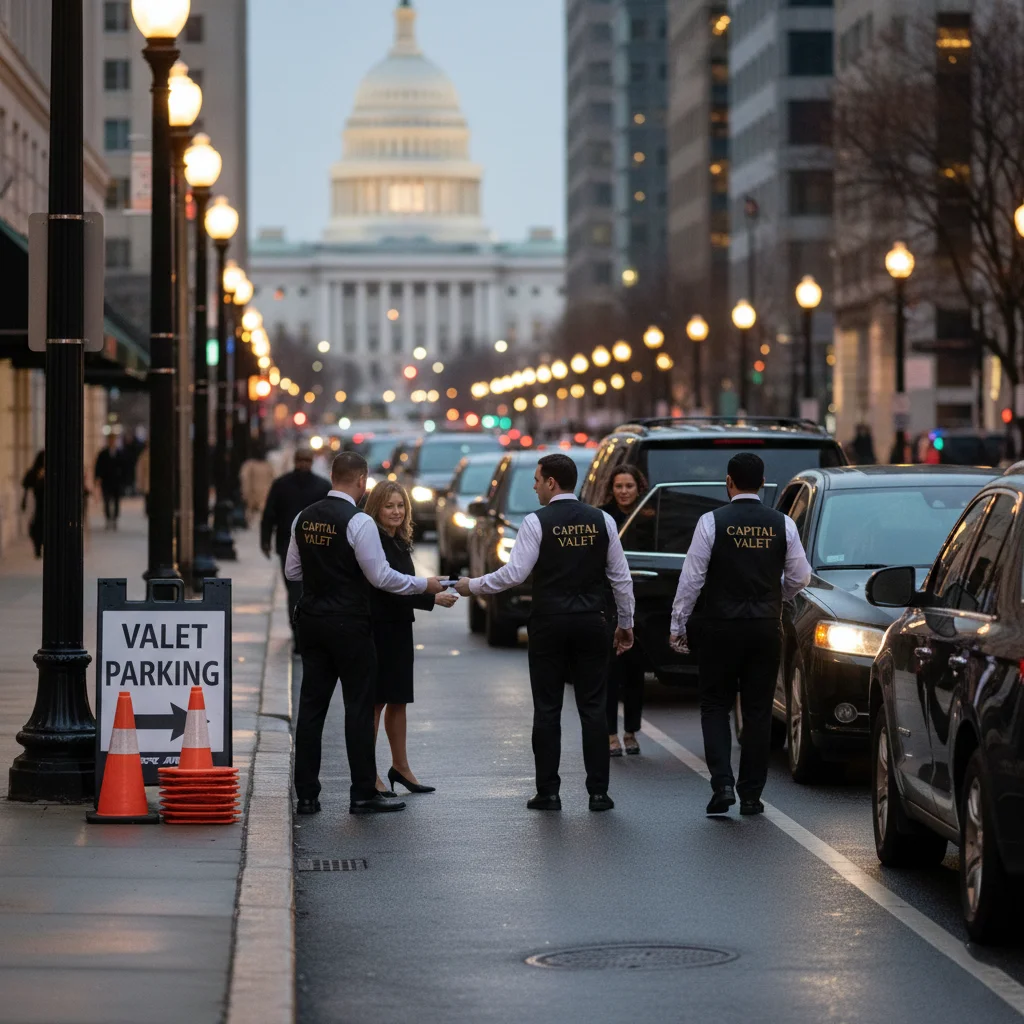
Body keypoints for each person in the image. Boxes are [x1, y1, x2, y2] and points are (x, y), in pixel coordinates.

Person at [457, 453, 635, 812]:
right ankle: (598, 792)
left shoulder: (536, 522)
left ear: (552, 482)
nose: (535, 486)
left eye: (537, 480)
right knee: (594, 708)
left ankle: (549, 792)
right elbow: (620, 578)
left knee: (548, 708)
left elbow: (514, 574)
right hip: (591, 621)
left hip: (549, 622)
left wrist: (473, 585)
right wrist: (626, 624)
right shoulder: (602, 520)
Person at [285, 452, 445, 816]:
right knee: (358, 707)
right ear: (362, 481)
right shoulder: (358, 523)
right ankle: (361, 793)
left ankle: (307, 794)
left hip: (311, 620)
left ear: (331, 476)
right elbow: (381, 577)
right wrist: (425, 585)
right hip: (350, 624)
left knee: (312, 708)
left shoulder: (303, 518)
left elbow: (293, 572)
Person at [669, 452, 811, 817]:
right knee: (759, 710)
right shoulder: (783, 524)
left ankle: (722, 784)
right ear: (763, 483)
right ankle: (751, 794)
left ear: (728, 482)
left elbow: (692, 579)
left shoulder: (711, 522)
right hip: (765, 627)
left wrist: (678, 624)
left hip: (720, 626)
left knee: (715, 705)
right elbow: (801, 576)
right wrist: (775, 594)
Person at [364, 481, 458, 796]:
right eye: (389, 506)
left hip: (400, 627)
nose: (396, 511)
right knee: (375, 702)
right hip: (378, 628)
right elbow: (387, 587)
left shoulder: (399, 540)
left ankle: (400, 768)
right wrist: (433, 597)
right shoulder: (373, 540)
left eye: (401, 506)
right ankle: (370, 774)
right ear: (376, 507)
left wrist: (436, 586)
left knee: (399, 699)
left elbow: (409, 584)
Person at [599, 466, 649, 757]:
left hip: (643, 603)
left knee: (635, 673)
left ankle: (631, 731)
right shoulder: (603, 516)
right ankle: (610, 735)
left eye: (629, 486)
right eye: (619, 486)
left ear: (638, 488)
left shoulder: (649, 515)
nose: (624, 491)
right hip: (608, 603)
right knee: (609, 673)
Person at [261, 450, 331, 651]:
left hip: (311, 546)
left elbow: (269, 515)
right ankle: (300, 633)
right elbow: (269, 514)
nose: (303, 465)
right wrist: (265, 540)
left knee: (300, 591)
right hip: (298, 546)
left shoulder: (287, 484)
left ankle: (303, 633)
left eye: (306, 461)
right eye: (301, 461)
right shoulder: (287, 485)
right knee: (297, 591)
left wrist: (265, 540)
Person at [94, 434, 124, 530]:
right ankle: (108, 519)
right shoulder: (103, 453)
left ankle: (115, 519)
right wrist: (97, 478)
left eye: (113, 440)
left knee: (116, 501)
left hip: (116, 482)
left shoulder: (119, 453)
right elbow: (98, 466)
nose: (112, 442)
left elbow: (124, 467)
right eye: (110, 440)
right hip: (106, 481)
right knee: (106, 501)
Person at [240, 443, 276, 520]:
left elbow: (245, 480)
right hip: (264, 496)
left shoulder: (249, 465)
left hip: (254, 497)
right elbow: (273, 480)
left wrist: (245, 495)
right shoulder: (267, 465)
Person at [21, 451, 45, 558]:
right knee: (36, 526)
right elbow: (26, 486)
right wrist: (24, 501)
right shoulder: (34, 472)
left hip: (47, 505)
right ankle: (37, 547)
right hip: (38, 504)